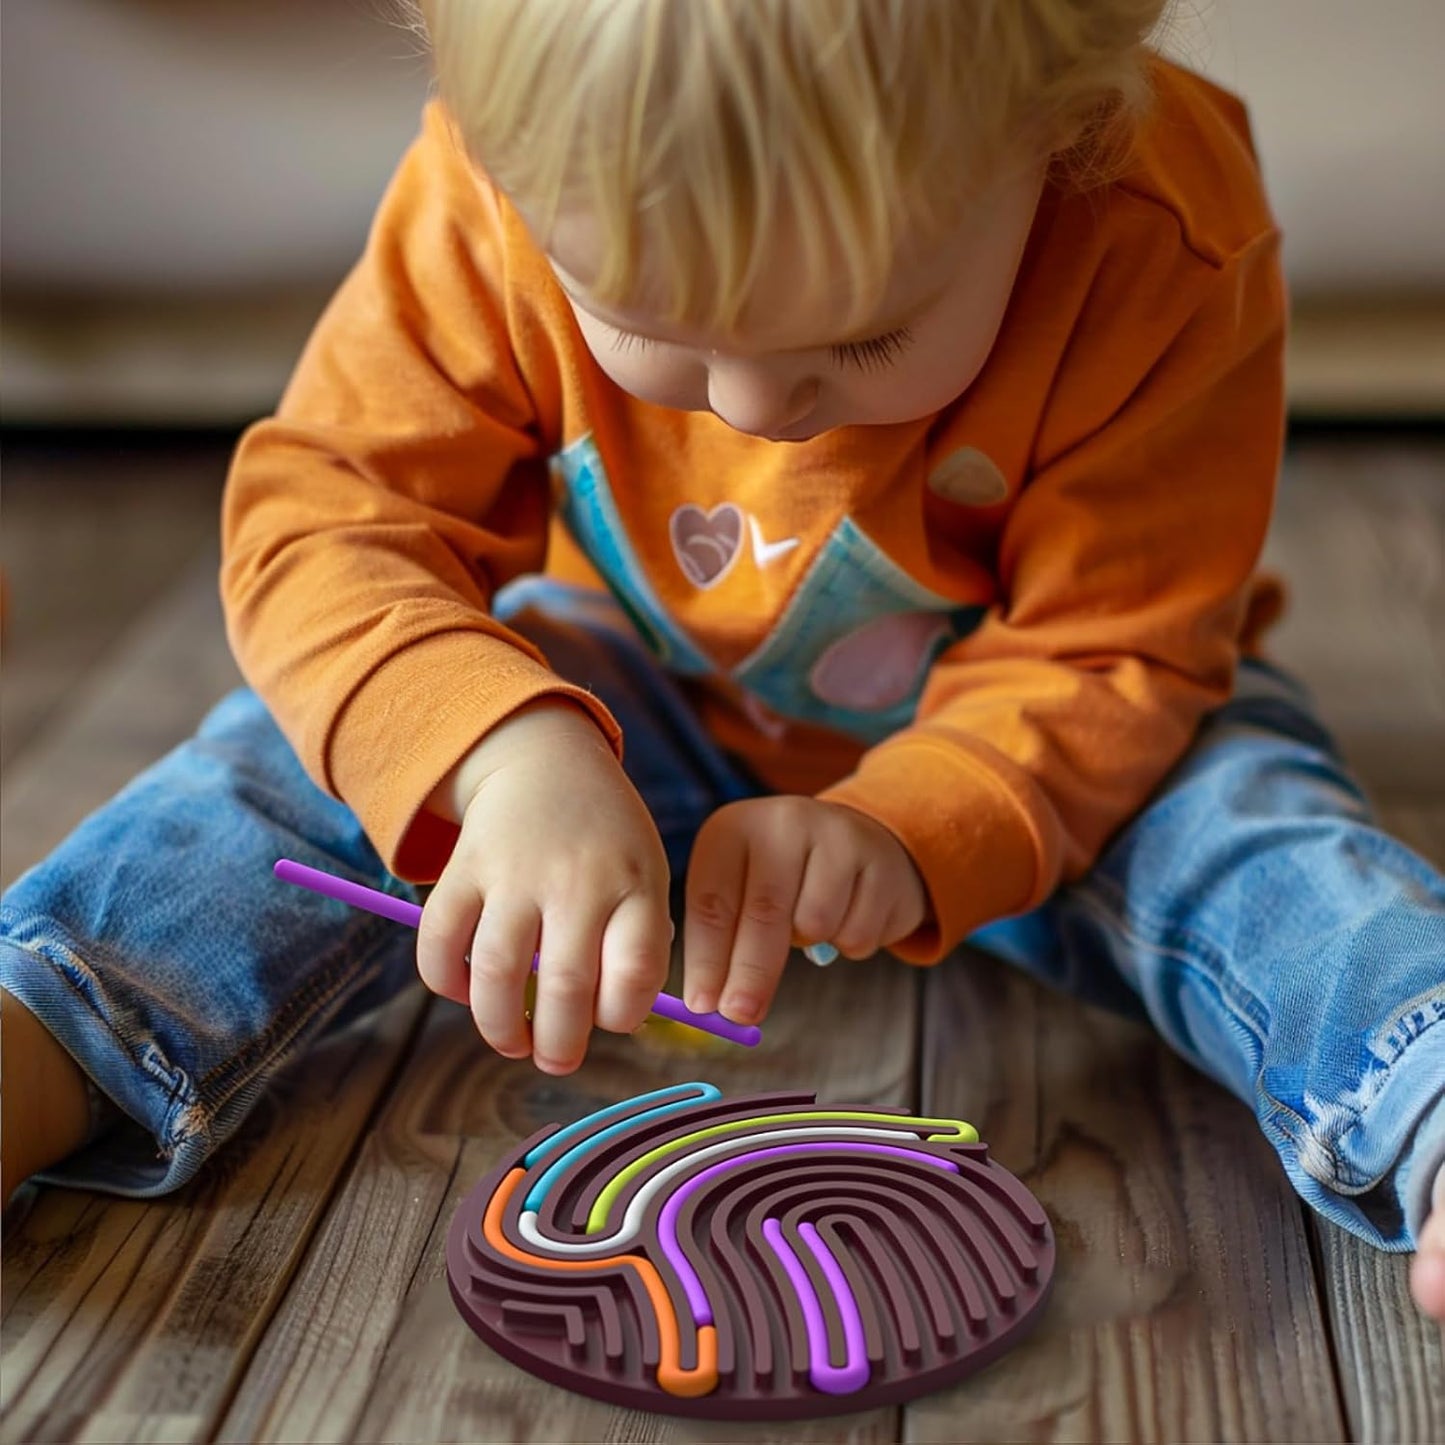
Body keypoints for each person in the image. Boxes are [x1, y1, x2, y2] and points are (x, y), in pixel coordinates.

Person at [3, 0, 1442, 1321]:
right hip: (621, 685)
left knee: (1251, 837)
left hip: (1056, 725)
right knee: (279, 771)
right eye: (646, 325)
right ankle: (49, 1026)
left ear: (1055, 135)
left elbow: (1114, 643)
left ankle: (1421, 1081)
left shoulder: (1157, 221)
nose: (758, 408)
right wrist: (507, 755)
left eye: (866, 335)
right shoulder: (490, 191)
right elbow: (325, 523)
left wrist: (912, 818)